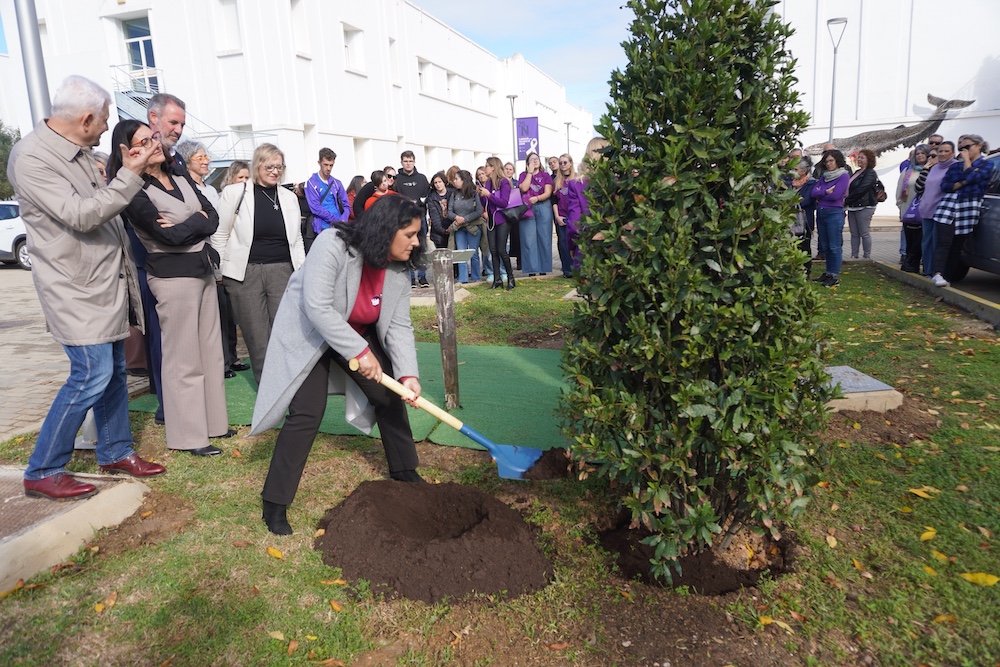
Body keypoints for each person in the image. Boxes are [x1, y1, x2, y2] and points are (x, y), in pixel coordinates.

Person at [7, 75, 165, 500]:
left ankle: (115, 449)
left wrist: (124, 171)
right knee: (90, 375)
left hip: (103, 282)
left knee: (112, 371)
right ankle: (43, 469)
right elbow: (82, 215)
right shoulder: (33, 157)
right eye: (105, 120)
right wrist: (129, 174)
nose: (107, 128)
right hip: (74, 288)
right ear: (87, 118)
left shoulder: (80, 153)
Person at [252, 195, 429, 535]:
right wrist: (361, 353)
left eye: (417, 235)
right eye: (409, 234)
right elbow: (317, 307)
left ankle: (404, 470)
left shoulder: (397, 270)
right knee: (307, 412)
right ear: (386, 230)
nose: (416, 242)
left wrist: (408, 375)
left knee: (388, 394)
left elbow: (398, 325)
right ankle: (274, 502)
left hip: (356, 332)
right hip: (312, 333)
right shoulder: (331, 244)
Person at [111, 121, 231, 456]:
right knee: (183, 358)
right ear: (128, 151)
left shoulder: (180, 177)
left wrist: (188, 223)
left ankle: (215, 424)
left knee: (211, 352)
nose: (154, 143)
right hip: (171, 278)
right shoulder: (135, 191)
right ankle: (189, 436)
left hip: (203, 270)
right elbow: (168, 236)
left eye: (153, 137)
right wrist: (197, 221)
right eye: (143, 141)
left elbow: (213, 217)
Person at [212, 143, 306, 384]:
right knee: (257, 337)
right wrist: (220, 272)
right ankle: (269, 391)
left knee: (285, 334)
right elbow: (220, 234)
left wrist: (302, 271)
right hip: (245, 275)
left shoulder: (288, 197)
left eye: (279, 167)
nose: (275, 171)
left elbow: (296, 239)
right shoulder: (235, 193)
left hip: (283, 272)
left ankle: (288, 387)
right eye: (269, 166)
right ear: (257, 166)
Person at [930, 134, 994, 287]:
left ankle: (947, 277)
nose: (964, 151)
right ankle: (937, 274)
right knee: (943, 242)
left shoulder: (987, 163)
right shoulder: (955, 166)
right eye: (961, 148)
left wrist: (966, 166)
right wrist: (966, 179)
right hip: (949, 205)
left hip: (969, 206)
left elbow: (974, 177)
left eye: (967, 147)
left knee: (957, 245)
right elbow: (946, 186)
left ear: (979, 146)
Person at [810, 149, 850, 287]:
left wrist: (821, 193)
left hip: (834, 213)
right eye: (826, 161)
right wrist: (825, 191)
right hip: (821, 212)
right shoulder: (824, 176)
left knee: (834, 246)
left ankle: (834, 275)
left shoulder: (843, 176)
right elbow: (813, 193)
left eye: (831, 161)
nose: (828, 164)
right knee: (825, 246)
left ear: (838, 161)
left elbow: (836, 195)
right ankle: (828, 273)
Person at [915, 142, 956, 277]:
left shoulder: (955, 166)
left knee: (937, 244)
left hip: (942, 212)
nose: (943, 154)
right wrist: (925, 169)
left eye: (946, 151)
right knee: (926, 243)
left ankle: (936, 272)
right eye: (940, 151)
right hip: (926, 210)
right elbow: (920, 188)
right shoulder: (933, 168)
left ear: (953, 153)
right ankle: (927, 271)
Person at [478, 157, 517, 290]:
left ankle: (511, 278)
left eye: (487, 166)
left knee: (501, 250)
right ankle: (497, 279)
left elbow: (504, 203)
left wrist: (489, 195)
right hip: (491, 221)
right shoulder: (488, 183)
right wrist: (482, 195)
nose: (485, 168)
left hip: (502, 220)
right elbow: (486, 204)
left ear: (493, 167)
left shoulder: (504, 182)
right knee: (493, 250)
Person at [517, 152, 554, 276]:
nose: (535, 161)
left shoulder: (545, 175)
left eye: (537, 158)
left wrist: (537, 198)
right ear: (527, 163)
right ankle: (531, 269)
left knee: (544, 237)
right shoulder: (523, 175)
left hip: (543, 205)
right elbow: (524, 188)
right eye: (532, 159)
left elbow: (548, 192)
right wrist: (530, 172)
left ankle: (544, 268)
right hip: (527, 208)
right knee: (528, 239)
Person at [446, 169, 485, 283]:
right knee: (461, 253)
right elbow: (449, 211)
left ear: (463, 180)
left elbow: (479, 211)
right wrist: (456, 217)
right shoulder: (454, 194)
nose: (454, 181)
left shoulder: (474, 194)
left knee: (474, 253)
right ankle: (463, 278)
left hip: (473, 227)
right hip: (459, 228)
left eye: (456, 179)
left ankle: (476, 277)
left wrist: (465, 219)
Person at [897, 144, 930, 273]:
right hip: (908, 211)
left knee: (919, 240)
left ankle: (913, 262)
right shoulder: (908, 171)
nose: (920, 156)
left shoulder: (932, 170)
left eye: (923, 153)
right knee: (910, 240)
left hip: (925, 211)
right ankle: (910, 265)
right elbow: (899, 190)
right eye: (917, 153)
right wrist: (901, 207)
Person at [552, 153, 587, 275]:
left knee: (576, 243)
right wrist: (557, 216)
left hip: (574, 216)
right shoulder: (556, 181)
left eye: (565, 162)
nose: (562, 165)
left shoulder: (578, 179)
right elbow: (554, 200)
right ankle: (567, 270)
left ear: (571, 163)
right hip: (561, 216)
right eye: (560, 163)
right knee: (563, 244)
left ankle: (577, 268)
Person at [306, 148, 350, 238]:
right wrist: (336, 220)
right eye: (325, 165)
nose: (328, 168)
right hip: (323, 226)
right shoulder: (311, 183)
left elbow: (347, 205)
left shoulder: (337, 183)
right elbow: (315, 208)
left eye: (331, 165)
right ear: (319, 163)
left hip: (339, 226)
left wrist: (344, 219)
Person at [844, 149, 879, 260]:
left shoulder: (870, 173)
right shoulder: (857, 172)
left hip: (865, 205)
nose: (859, 159)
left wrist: (846, 201)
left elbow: (861, 190)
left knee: (864, 232)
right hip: (853, 206)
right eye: (858, 157)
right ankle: (854, 255)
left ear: (869, 160)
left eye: (862, 157)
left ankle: (866, 256)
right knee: (854, 233)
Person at [426, 171, 452, 251]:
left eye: (440, 182)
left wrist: (453, 227)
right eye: (435, 183)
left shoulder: (452, 193)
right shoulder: (431, 197)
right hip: (439, 233)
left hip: (453, 229)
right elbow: (434, 217)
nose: (438, 184)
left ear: (444, 182)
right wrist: (444, 231)